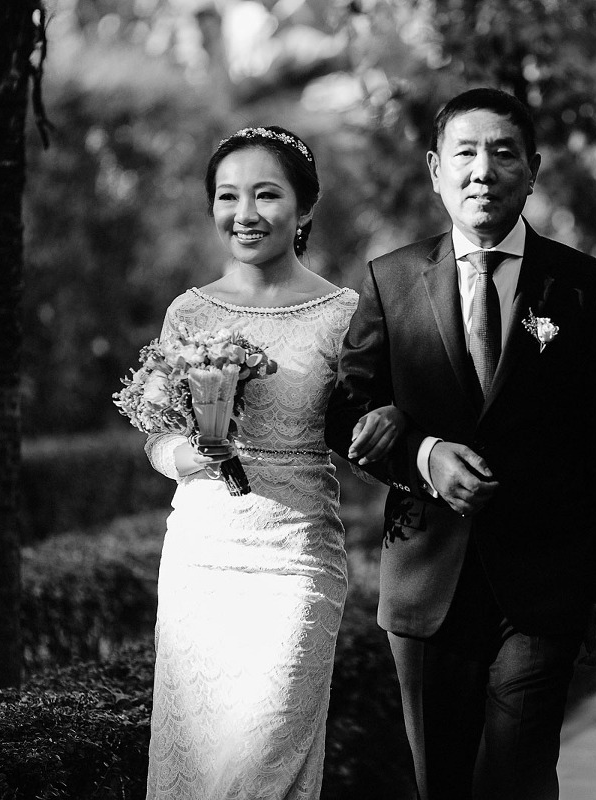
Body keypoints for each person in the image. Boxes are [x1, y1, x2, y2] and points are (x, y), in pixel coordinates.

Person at [326, 88, 596, 800]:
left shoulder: (586, 289)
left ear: (531, 169)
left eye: (503, 152)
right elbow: (345, 411)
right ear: (436, 169)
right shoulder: (390, 279)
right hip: (428, 583)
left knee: (516, 777)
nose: (483, 169)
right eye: (465, 152)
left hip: (545, 583)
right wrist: (423, 455)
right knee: (440, 783)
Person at [142, 125, 401, 799]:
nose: (245, 214)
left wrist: (388, 428)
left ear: (305, 208)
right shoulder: (188, 312)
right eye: (228, 196)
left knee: (264, 757)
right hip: (201, 556)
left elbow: (366, 430)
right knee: (196, 764)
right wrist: (187, 455)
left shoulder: (345, 313)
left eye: (266, 194)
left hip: (296, 559)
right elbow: (157, 439)